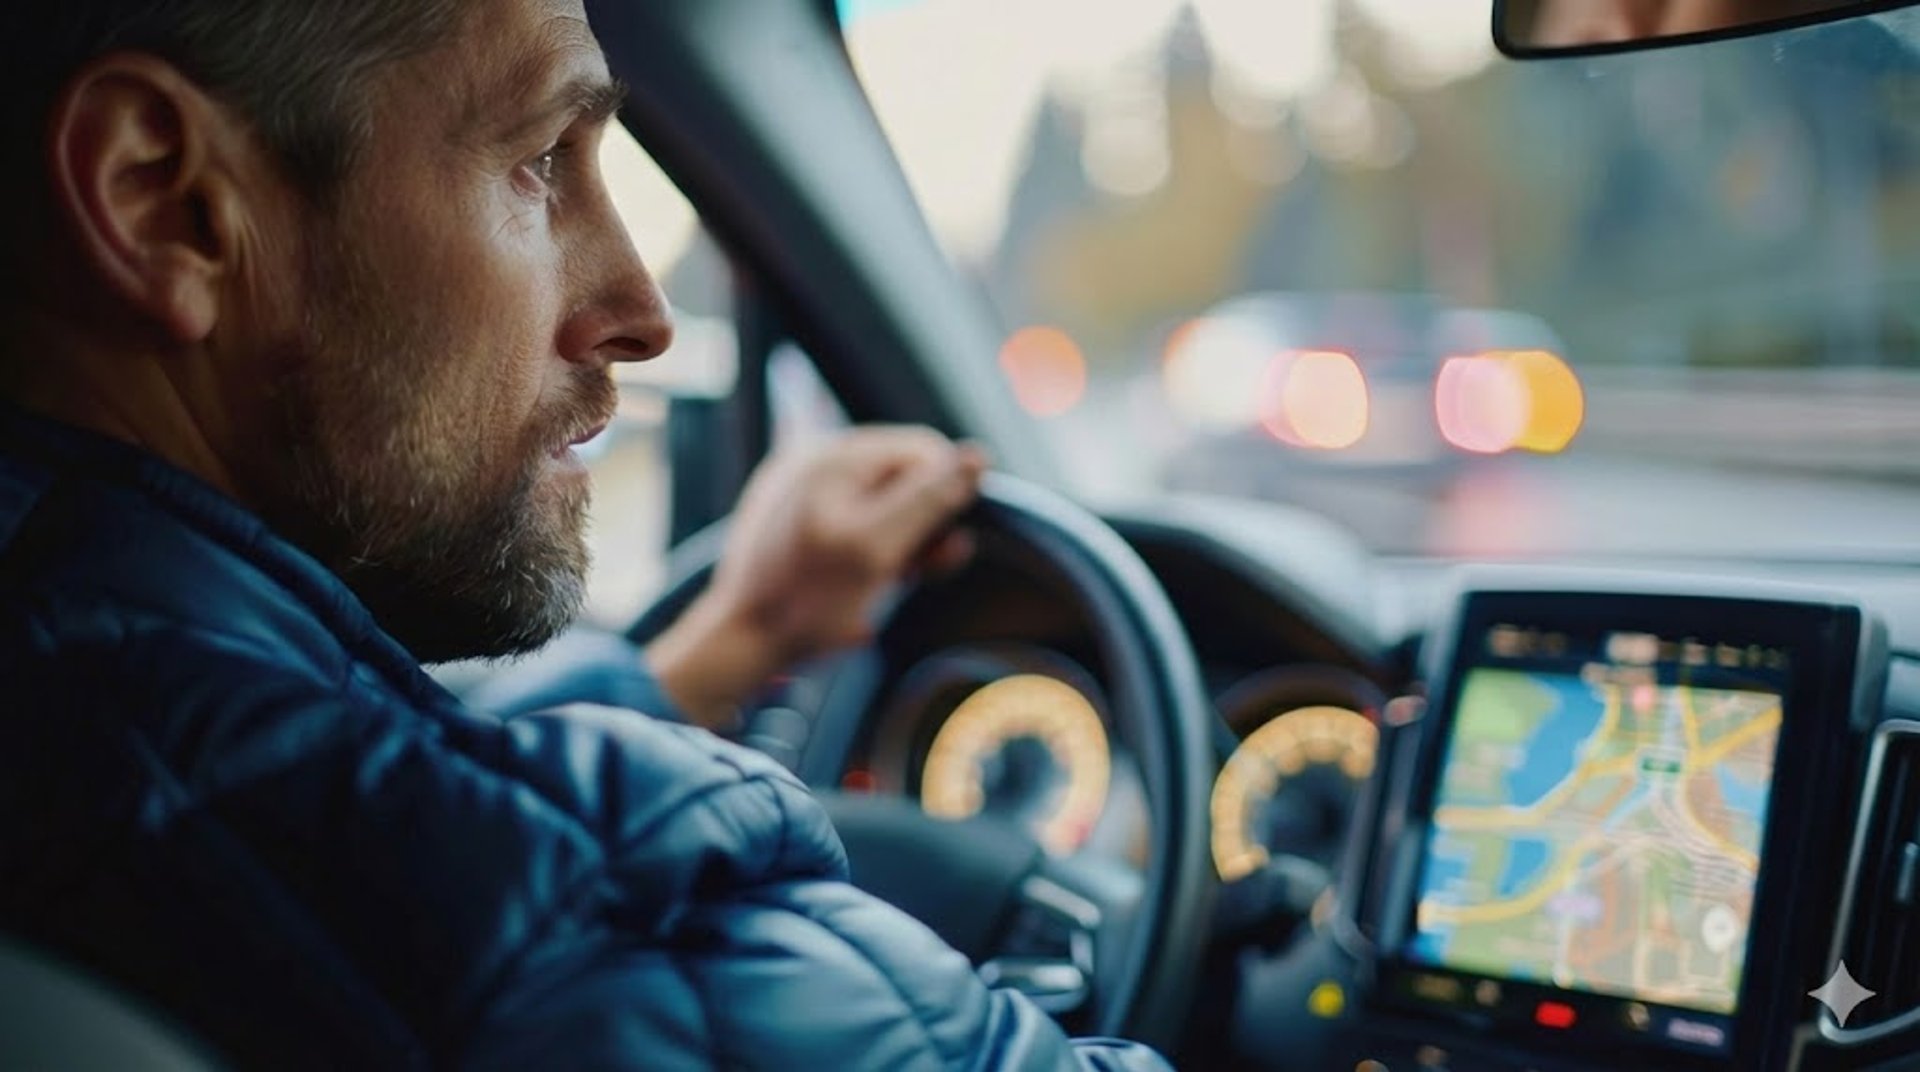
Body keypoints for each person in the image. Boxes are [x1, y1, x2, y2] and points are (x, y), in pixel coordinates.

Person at [0, 1, 1169, 1069]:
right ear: (167, 205)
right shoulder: (572, 939)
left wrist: (733, 639)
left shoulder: (87, 716)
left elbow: (290, 757)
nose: (643, 311)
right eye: (538, 162)